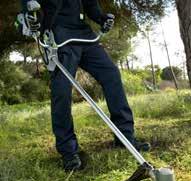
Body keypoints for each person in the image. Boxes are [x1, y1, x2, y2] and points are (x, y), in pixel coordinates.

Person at [20, 0, 151, 172]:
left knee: (111, 73)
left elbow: (92, 8)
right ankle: (68, 151)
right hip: (58, 37)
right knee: (62, 90)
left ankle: (125, 137)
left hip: (85, 36)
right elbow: (28, 6)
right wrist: (31, 18)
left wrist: (102, 19)